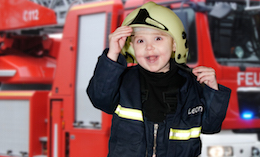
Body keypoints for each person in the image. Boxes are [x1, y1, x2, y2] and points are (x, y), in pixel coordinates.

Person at [87, 2, 231, 157]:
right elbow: (99, 99)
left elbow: (210, 126)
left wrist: (213, 91)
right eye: (140, 41)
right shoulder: (124, 80)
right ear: (132, 47)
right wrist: (113, 54)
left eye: (157, 38)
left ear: (174, 44)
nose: (149, 47)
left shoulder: (190, 86)